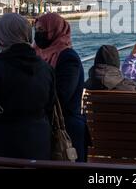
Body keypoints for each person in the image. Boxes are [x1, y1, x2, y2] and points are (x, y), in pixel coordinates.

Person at [0, 14, 55, 160]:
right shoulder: (46, 68)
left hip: (4, 151)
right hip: (40, 146)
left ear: (1, 39)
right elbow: (50, 107)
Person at [34, 13, 87, 162]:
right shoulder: (37, 54)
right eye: (36, 30)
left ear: (54, 30)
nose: (38, 34)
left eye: (42, 30)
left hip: (67, 128)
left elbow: (62, 96)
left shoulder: (68, 57)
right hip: (45, 126)